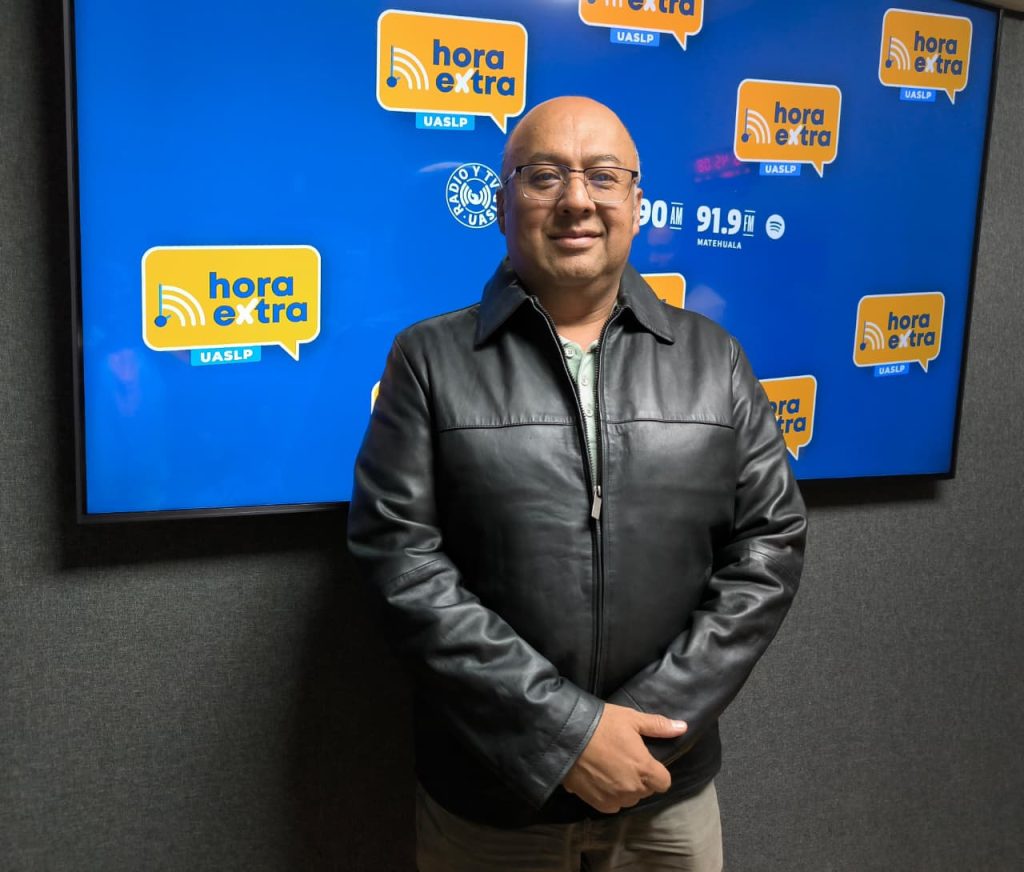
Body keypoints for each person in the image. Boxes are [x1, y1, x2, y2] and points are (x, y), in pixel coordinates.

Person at [347, 96, 806, 871]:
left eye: (603, 176)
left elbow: (770, 545)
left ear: (637, 202)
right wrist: (565, 736)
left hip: (662, 789)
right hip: (492, 800)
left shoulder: (715, 360)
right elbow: (402, 564)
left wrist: (638, 731)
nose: (577, 200)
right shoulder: (428, 361)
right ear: (502, 205)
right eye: (544, 176)